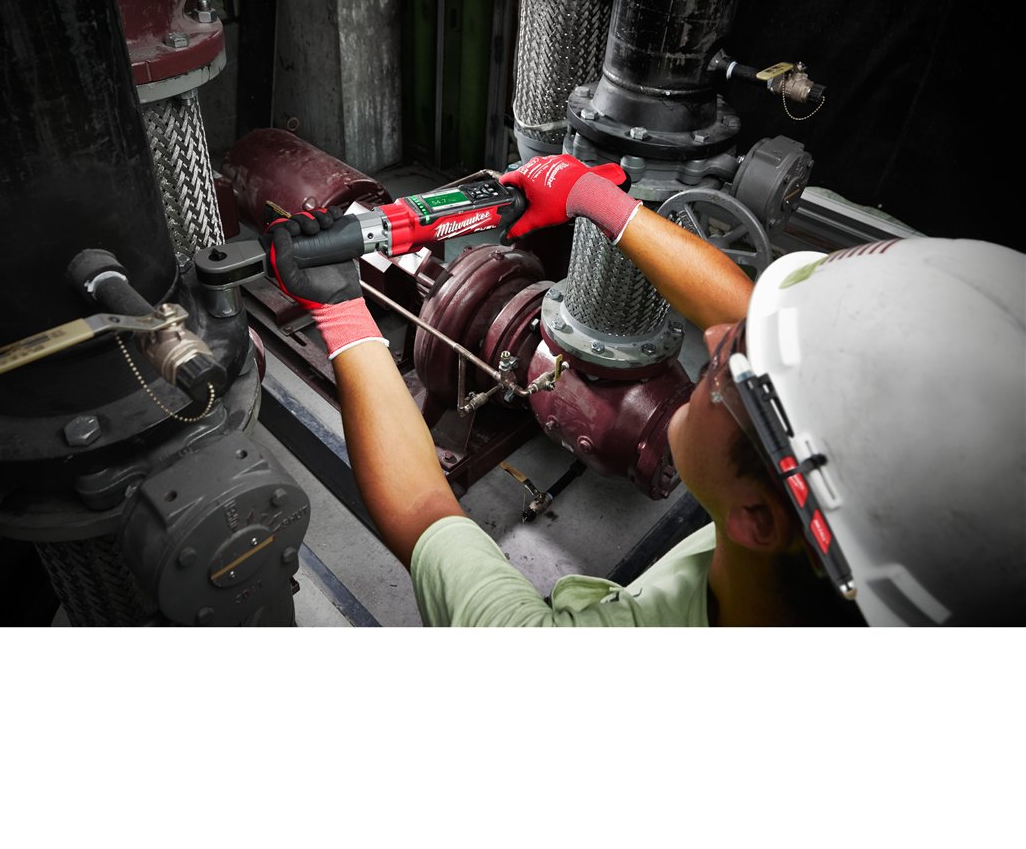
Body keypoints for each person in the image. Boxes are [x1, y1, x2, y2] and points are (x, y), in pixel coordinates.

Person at [266, 154, 1026, 627]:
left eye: (732, 373)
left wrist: (340, 312)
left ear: (761, 517)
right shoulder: (885, 545)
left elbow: (424, 511)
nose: (717, 340)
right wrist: (592, 198)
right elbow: (743, 317)